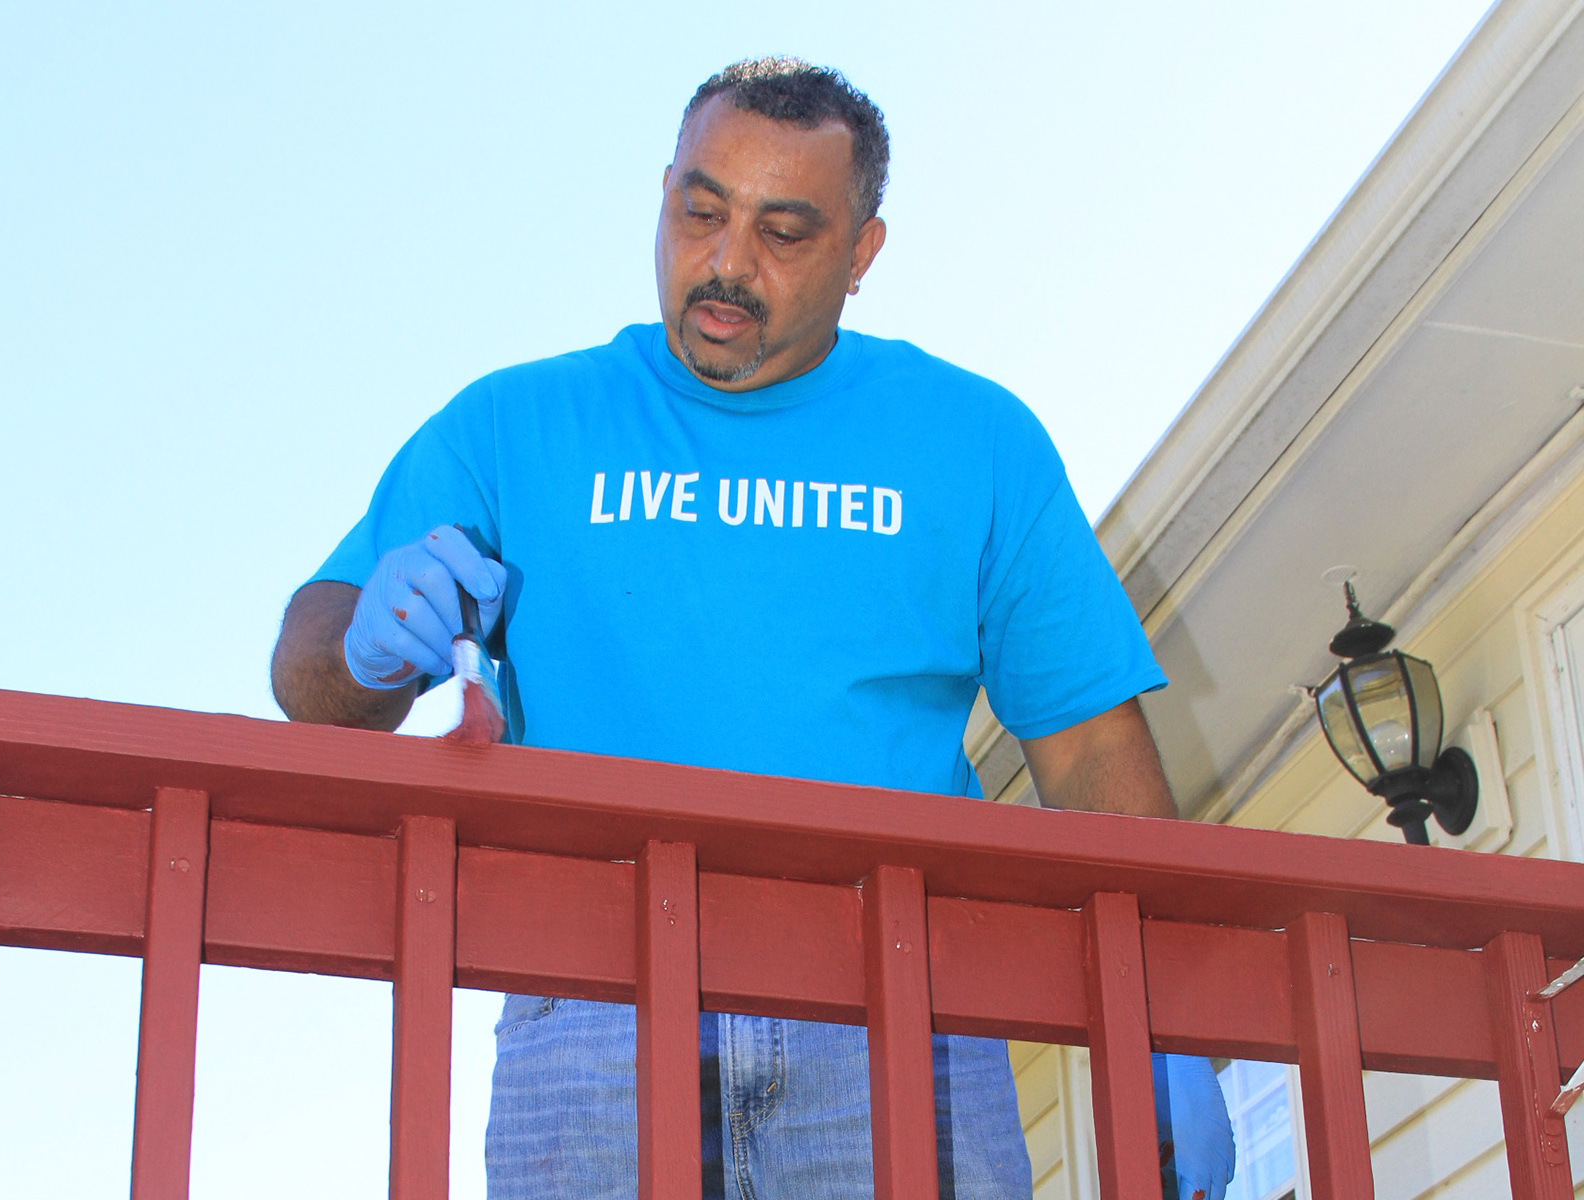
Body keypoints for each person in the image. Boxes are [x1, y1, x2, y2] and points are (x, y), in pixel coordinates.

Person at [271, 57, 1234, 1200]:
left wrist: (1166, 1028)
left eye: (784, 231)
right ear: (663, 192)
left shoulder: (974, 441)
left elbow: (1084, 750)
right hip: (591, 1007)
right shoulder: (510, 424)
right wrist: (370, 645)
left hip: (899, 1006)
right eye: (700, 211)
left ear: (862, 253)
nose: (726, 263)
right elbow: (311, 677)